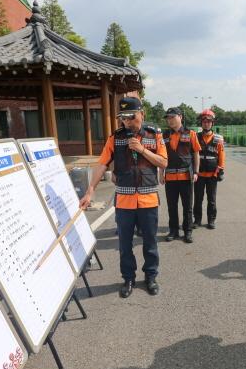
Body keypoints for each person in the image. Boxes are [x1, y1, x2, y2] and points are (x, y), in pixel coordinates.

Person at [80, 97, 167, 298]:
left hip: (148, 200)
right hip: (124, 201)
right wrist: (90, 190)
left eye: (131, 117)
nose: (127, 122)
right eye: (124, 118)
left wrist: (141, 149)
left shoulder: (154, 135)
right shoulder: (116, 138)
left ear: (142, 114)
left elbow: (163, 162)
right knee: (125, 243)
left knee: (150, 242)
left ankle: (151, 276)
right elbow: (102, 164)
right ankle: (128, 278)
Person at [160, 107, 201, 243]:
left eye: (172, 117)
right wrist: (161, 173)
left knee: (187, 206)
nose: (170, 120)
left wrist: (196, 171)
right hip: (170, 177)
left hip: (186, 176)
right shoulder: (164, 135)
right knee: (172, 206)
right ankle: (173, 231)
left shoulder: (190, 134)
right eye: (168, 118)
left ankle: (187, 231)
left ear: (180, 117)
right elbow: (161, 156)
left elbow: (196, 153)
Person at [193, 109, 225, 230]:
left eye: (209, 121)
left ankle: (211, 220)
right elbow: (192, 154)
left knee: (211, 199)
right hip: (199, 174)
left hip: (212, 174)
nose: (206, 123)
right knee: (198, 199)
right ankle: (197, 220)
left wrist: (220, 170)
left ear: (212, 123)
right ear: (201, 123)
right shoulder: (195, 136)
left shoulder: (218, 138)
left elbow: (221, 155)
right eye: (204, 121)